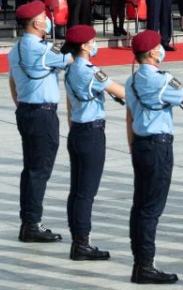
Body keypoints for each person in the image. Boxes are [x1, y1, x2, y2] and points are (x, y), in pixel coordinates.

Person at [125, 29, 183, 284]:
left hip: (141, 144)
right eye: (158, 46)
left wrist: (133, 146)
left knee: (140, 206)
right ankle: (145, 265)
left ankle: (140, 261)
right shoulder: (162, 80)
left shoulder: (132, 80)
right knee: (151, 209)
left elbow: (130, 117)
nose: (161, 50)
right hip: (158, 147)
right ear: (151, 53)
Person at [9, 0, 71, 244]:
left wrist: (23, 104)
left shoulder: (16, 50)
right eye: (44, 17)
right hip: (42, 114)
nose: (47, 20)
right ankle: (32, 224)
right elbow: (71, 59)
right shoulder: (43, 50)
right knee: (39, 170)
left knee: (30, 169)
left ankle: (28, 221)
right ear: (36, 23)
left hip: (25, 111)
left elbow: (12, 83)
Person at [61, 24, 125, 261]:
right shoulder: (89, 70)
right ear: (85, 46)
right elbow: (122, 92)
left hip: (77, 129)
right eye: (92, 41)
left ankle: (78, 239)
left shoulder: (69, 69)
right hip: (91, 133)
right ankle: (82, 243)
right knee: (86, 192)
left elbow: (69, 104)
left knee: (77, 191)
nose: (94, 44)